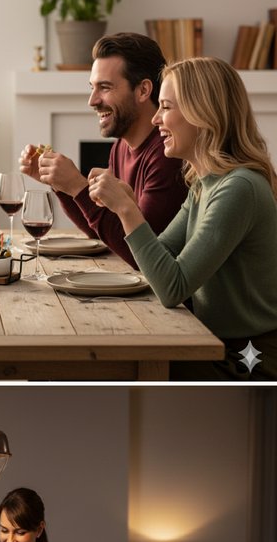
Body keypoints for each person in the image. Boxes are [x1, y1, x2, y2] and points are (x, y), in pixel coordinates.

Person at [88, 56, 277, 380]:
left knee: (101, 368)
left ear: (203, 114)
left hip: (247, 359)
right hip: (213, 342)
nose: (156, 119)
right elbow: (157, 262)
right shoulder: (205, 182)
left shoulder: (239, 188)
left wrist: (127, 210)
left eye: (166, 107)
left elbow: (172, 287)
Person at [20, 33, 184, 268]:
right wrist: (62, 185)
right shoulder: (120, 148)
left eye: (104, 87)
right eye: (92, 88)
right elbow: (104, 233)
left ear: (143, 90)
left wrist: (77, 185)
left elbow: (144, 255)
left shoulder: (168, 154)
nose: (92, 100)